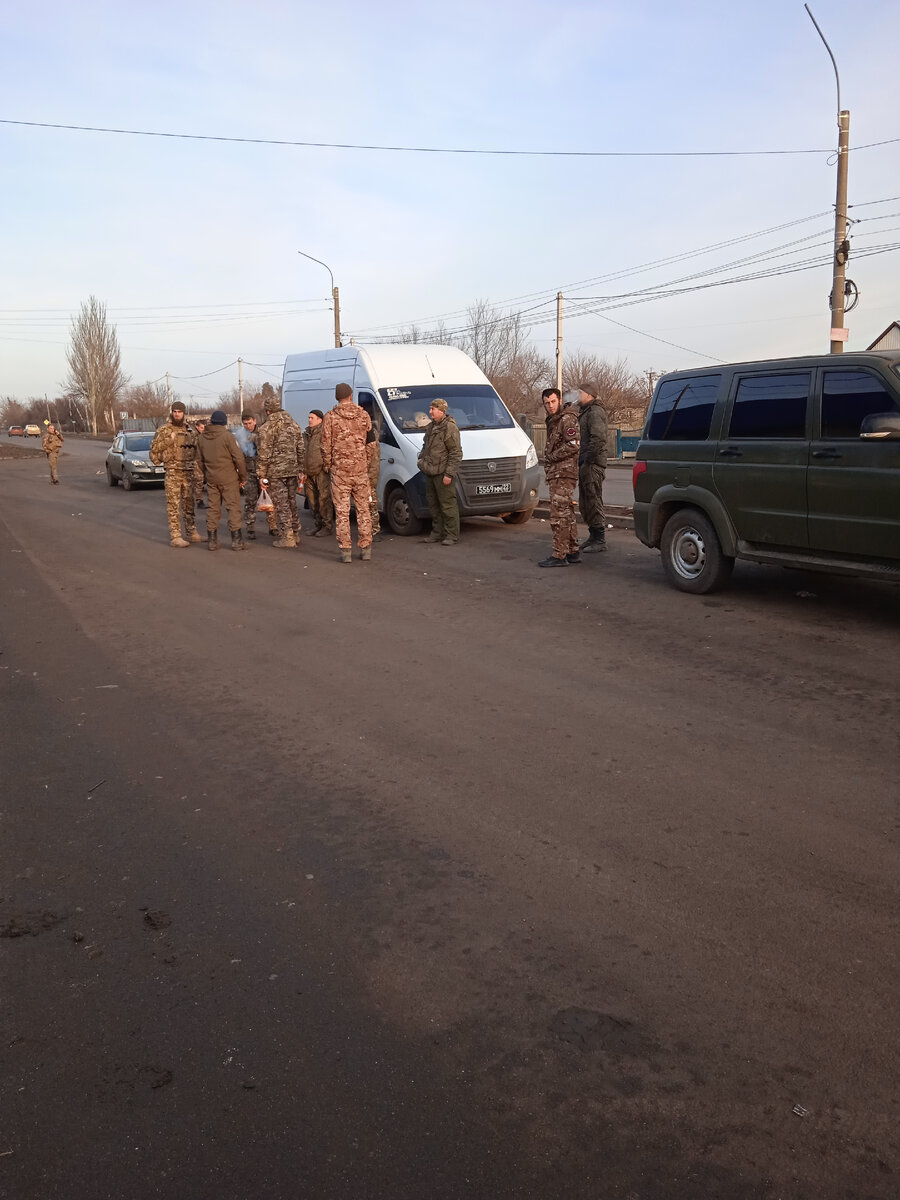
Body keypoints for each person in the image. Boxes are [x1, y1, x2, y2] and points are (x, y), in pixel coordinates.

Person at [321, 382, 372, 563]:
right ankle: (365, 549)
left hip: (340, 472)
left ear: (337, 397)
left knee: (342, 512)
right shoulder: (364, 415)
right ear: (351, 396)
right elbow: (371, 443)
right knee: (363, 510)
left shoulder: (330, 417)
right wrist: (365, 461)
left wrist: (328, 465)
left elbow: (325, 445)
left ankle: (346, 551)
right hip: (360, 471)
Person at [149, 401, 203, 548]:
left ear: (184, 413)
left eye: (180, 411)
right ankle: (176, 536)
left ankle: (191, 532)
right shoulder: (164, 430)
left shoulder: (190, 431)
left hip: (189, 472)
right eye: (175, 411)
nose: (177, 414)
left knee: (189, 504)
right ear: (172, 412)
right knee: (173, 506)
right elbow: (153, 451)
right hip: (173, 472)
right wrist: (169, 440)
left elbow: (198, 452)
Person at [538, 388, 581, 567]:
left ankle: (560, 554)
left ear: (560, 400)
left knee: (558, 515)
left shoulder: (567, 419)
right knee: (567, 514)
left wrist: (552, 457)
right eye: (547, 403)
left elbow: (573, 445)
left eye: (553, 402)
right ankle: (572, 550)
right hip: (557, 472)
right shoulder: (554, 420)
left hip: (564, 472)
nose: (550, 406)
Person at [257, 394, 305, 549]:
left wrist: (261, 475)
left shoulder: (266, 428)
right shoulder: (293, 424)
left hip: (275, 472)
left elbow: (263, 454)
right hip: (292, 469)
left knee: (282, 504)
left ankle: (287, 537)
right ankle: (296, 532)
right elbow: (301, 448)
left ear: (268, 411)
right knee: (292, 502)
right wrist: (301, 468)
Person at [198, 410, 247, 551]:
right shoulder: (227, 436)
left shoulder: (202, 438)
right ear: (224, 422)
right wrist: (242, 477)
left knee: (213, 509)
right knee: (233, 509)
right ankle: (237, 541)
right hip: (229, 478)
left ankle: (212, 541)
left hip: (212, 479)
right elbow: (238, 458)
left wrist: (207, 475)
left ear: (212, 421)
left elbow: (199, 461)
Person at [417, 398, 462, 545]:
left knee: (447, 505)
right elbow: (426, 448)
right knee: (433, 505)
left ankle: (451, 535)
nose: (430, 412)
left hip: (443, 473)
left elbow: (455, 453)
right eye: (430, 409)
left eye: (433, 409)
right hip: (430, 472)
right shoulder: (431, 427)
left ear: (441, 411)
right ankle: (437, 533)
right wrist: (421, 462)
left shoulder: (449, 428)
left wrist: (449, 474)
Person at [571, 383, 609, 553]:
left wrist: (587, 460)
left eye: (580, 393)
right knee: (586, 502)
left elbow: (598, 439)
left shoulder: (595, 412)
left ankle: (599, 539)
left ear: (589, 395)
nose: (578, 395)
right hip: (586, 463)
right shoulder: (586, 411)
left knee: (593, 500)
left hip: (592, 464)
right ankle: (593, 536)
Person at [233, 412, 277, 541]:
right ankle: (250, 528)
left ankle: (273, 527)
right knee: (250, 501)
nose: (248, 426)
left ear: (255, 421)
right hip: (249, 472)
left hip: (264, 472)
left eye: (250, 423)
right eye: (245, 424)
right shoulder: (240, 435)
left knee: (269, 499)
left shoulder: (263, 432)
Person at [303, 409, 333, 537]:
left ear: (320, 420)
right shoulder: (306, 435)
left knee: (323, 500)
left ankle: (327, 526)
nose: (309, 420)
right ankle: (318, 525)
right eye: (309, 417)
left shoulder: (324, 434)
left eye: (312, 418)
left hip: (321, 472)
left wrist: (327, 466)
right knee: (312, 501)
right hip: (308, 472)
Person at [365, 428, 381, 537]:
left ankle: (374, 529)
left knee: (371, 504)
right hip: (361, 476)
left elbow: (374, 463)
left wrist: (369, 479)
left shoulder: (370, 436)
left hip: (368, 477)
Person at [191, 417, 208, 507]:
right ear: (197, 427)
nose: (203, 430)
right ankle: (199, 501)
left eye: (204, 428)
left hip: (203, 461)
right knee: (199, 480)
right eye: (201, 428)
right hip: (196, 461)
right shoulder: (194, 436)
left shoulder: (204, 436)